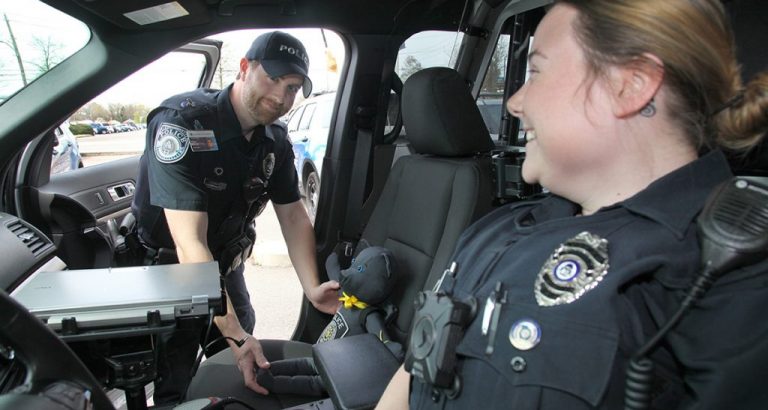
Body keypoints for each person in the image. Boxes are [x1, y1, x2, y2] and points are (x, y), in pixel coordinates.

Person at [377, 0, 768, 409]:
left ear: (630, 86)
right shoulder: (496, 229)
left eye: (536, 72)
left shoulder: (728, 273)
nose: (514, 102)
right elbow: (414, 374)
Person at [130, 30, 340, 404]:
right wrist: (236, 334)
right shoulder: (181, 124)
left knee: (239, 365)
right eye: (272, 79)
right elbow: (188, 243)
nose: (280, 97)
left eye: (292, 87)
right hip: (173, 273)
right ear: (244, 68)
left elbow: (292, 214)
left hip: (225, 267)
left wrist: (312, 287)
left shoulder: (274, 140)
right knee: (176, 378)